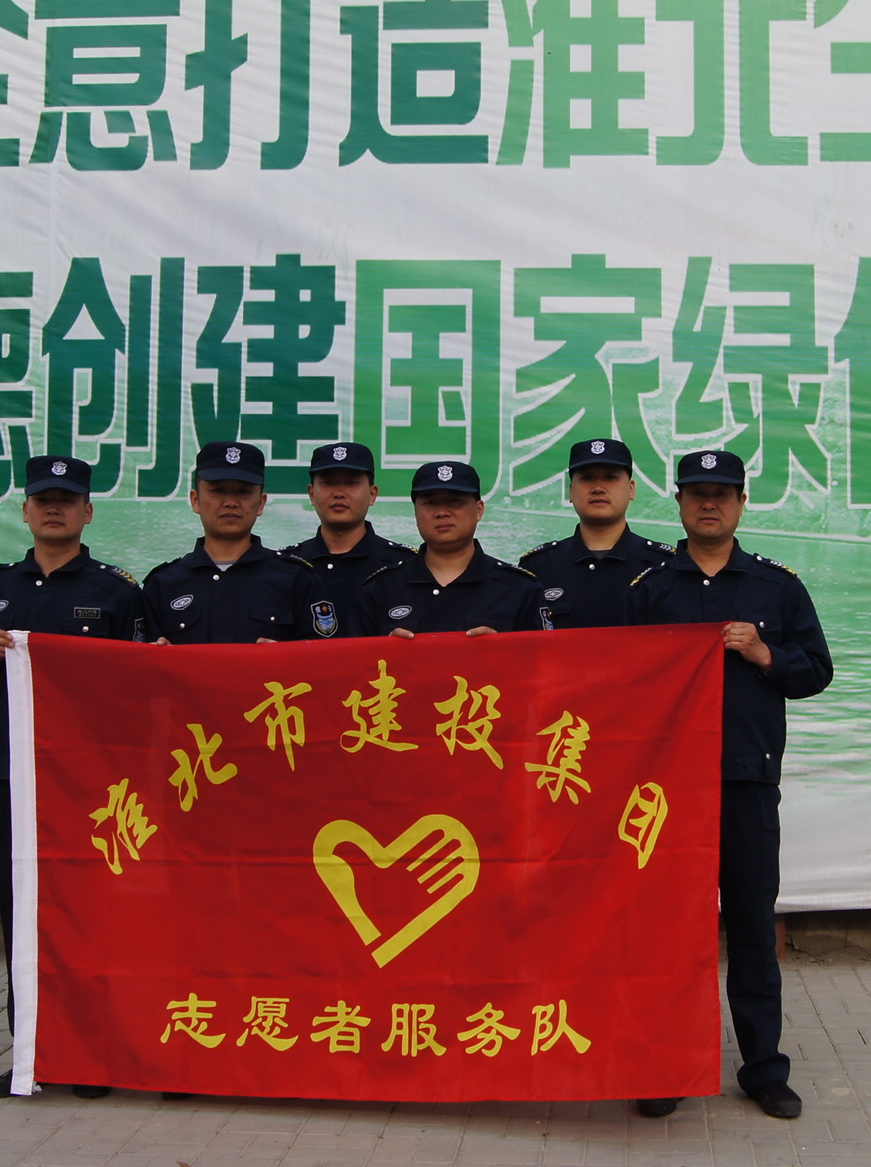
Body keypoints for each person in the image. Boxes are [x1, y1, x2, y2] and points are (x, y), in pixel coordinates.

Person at [627, 450, 833, 1121]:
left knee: (749, 926)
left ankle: (763, 1069)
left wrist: (764, 653)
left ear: (742, 503)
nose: (709, 504)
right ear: (679, 503)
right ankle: (666, 1066)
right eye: (696, 493)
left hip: (746, 781)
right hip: (668, 790)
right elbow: (619, 682)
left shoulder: (776, 587)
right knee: (670, 933)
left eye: (722, 493)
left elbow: (816, 672)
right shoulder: (651, 589)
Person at [0, 455, 144, 1100]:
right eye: (43, 499)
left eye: (67, 499)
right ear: (27, 510)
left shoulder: (118, 592)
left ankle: (93, 1052)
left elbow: (142, 683)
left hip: (93, 786)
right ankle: (31, 1050)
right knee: (22, 912)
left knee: (93, 914)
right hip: (15, 777)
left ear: (88, 511)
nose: (54, 508)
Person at [141, 439, 332, 643]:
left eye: (243, 491)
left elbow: (325, 656)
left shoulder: (297, 579)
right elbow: (140, 658)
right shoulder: (163, 584)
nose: (231, 502)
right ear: (195, 500)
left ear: (261, 503)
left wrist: (284, 656)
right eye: (218, 490)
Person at [349, 460, 549, 637]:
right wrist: (384, 650)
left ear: (479, 510)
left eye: (455, 502)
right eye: (430, 503)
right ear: (416, 512)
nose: (442, 512)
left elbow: (544, 660)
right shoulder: (382, 589)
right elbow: (354, 661)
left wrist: (504, 650)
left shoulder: (518, 589)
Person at [519, 437, 673, 629]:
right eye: (587, 478)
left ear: (631, 489)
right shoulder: (538, 567)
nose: (598, 488)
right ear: (571, 491)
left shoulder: (665, 566)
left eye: (610, 477)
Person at [282, 440, 417, 619]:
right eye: (328, 483)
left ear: (372, 494)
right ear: (312, 494)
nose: (339, 493)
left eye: (351, 483)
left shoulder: (406, 565)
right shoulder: (285, 567)